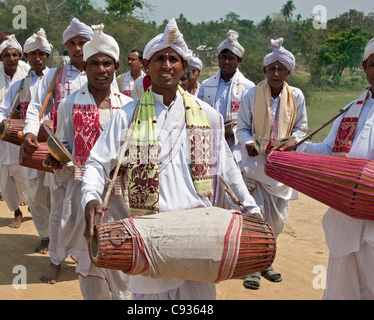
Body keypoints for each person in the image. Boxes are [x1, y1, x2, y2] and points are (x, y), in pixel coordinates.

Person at [81, 18, 262, 300]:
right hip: (150, 235)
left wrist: (251, 208)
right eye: (159, 59)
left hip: (199, 235)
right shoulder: (127, 117)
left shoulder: (208, 115)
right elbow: (96, 163)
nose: (167, 65)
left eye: (174, 59)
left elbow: (227, 170)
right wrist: (91, 196)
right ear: (147, 66)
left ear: (184, 67)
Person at [285, 33, 374, 300]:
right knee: (342, 290)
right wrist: (298, 146)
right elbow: (328, 152)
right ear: (364, 68)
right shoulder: (352, 109)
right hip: (346, 218)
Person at [43, 23, 133, 300]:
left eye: (106, 63)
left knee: (121, 262)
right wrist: (57, 159)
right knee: (89, 261)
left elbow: (137, 150)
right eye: (94, 63)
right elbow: (64, 145)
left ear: (116, 66)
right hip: (83, 195)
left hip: (121, 195)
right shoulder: (69, 104)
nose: (100, 69)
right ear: (86, 67)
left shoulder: (130, 106)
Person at [23, 17, 93, 284]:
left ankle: (91, 257)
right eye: (72, 43)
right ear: (66, 46)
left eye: (83, 43)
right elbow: (34, 107)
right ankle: (55, 260)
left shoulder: (101, 72)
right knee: (59, 213)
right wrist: (30, 131)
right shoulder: (54, 75)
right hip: (60, 156)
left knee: (93, 207)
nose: (78, 48)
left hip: (94, 157)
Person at [236, 38, 308, 290]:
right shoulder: (251, 94)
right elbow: (242, 127)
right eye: (272, 68)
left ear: (288, 71)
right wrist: (247, 143)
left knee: (276, 222)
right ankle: (252, 268)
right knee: (255, 219)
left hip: (282, 170)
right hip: (254, 168)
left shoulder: (296, 95)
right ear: (265, 71)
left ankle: (265, 262)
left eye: (281, 69)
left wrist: (292, 141)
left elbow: (301, 128)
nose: (276, 73)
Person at [0, 29, 52, 253]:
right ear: (26, 56)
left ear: (47, 55)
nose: (37, 58)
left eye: (41, 53)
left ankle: (60, 238)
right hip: (30, 146)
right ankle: (46, 236)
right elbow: (3, 109)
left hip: (55, 145)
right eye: (32, 54)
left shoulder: (57, 79)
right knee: (36, 194)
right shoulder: (20, 85)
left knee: (57, 195)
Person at [0, 34, 29, 228]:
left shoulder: (27, 76)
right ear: (1, 58)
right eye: (7, 55)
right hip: (1, 136)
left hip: (23, 135)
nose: (12, 59)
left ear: (20, 56)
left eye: (15, 54)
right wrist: (0, 123)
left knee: (25, 176)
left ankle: (31, 207)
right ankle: (16, 212)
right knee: (4, 177)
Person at [198, 30, 255, 159]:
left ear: (239, 60)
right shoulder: (206, 85)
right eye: (223, 57)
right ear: (218, 58)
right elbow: (198, 114)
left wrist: (232, 131)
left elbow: (252, 120)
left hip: (237, 145)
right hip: (210, 142)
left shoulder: (248, 87)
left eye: (231, 58)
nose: (226, 62)